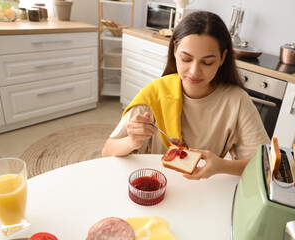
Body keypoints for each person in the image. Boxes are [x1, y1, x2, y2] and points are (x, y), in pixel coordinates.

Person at [102, 11, 270, 180]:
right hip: (154, 186)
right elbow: (107, 152)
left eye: (207, 62)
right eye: (186, 59)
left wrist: (221, 166)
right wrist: (131, 142)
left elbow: (265, 165)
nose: (194, 71)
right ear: (175, 50)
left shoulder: (237, 101)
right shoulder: (155, 95)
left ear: (222, 58)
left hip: (204, 192)